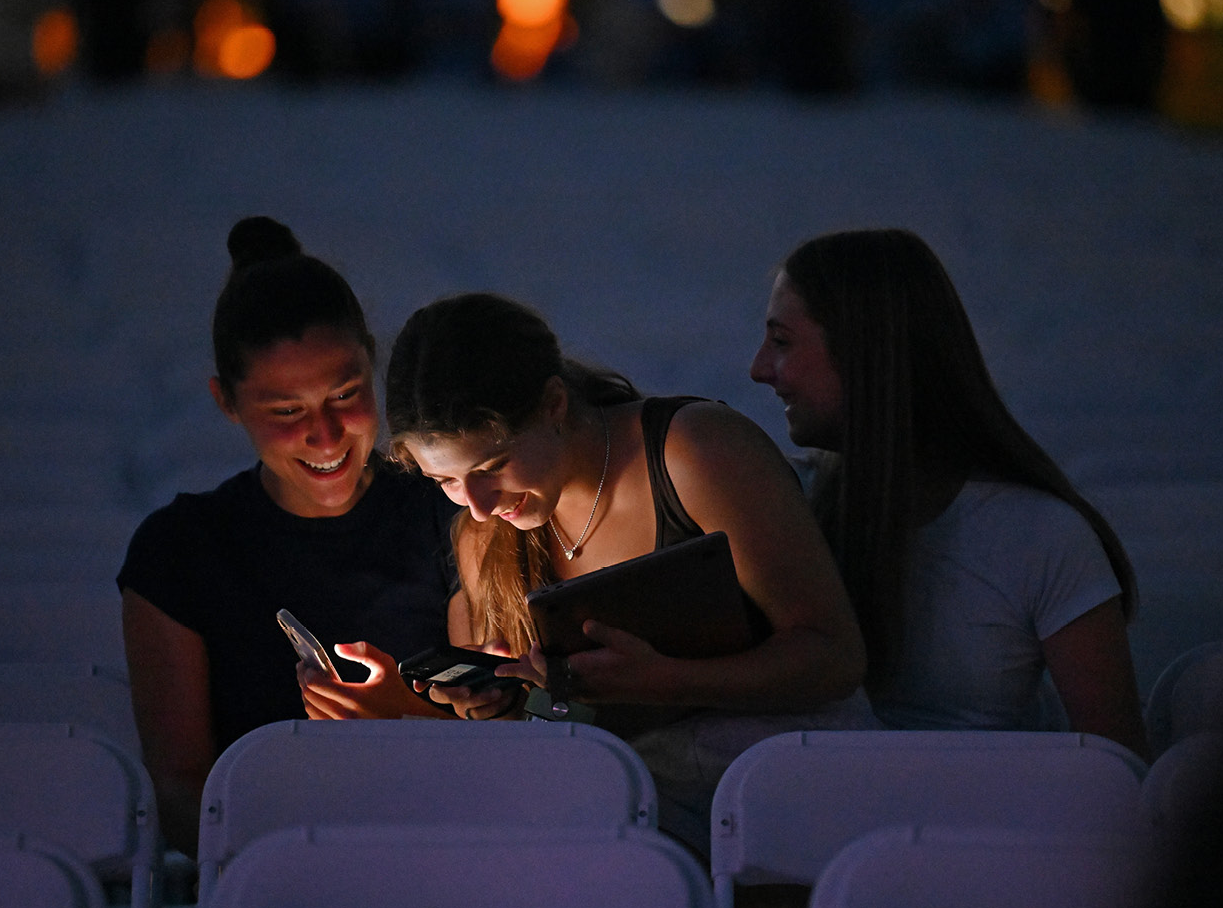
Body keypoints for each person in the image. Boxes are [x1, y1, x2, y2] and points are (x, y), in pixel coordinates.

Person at [368, 290, 873, 855]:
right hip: (629, 823)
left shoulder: (692, 452)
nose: (479, 504)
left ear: (554, 404)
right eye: (446, 482)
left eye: (494, 466)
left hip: (791, 785)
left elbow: (836, 659)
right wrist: (503, 708)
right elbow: (541, 749)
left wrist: (661, 680)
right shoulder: (484, 543)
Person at [117, 217, 462, 857]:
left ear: (373, 364)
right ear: (227, 401)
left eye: (346, 394)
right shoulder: (180, 551)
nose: (326, 436)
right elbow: (180, 786)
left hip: (448, 846)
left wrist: (407, 717)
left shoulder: (449, 511)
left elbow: (507, 740)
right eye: (286, 412)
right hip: (269, 869)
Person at [749, 228, 1150, 762]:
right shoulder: (782, 506)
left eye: (781, 342)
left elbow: (1117, 773)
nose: (758, 369)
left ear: (865, 350)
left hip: (979, 835)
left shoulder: (1040, 537)